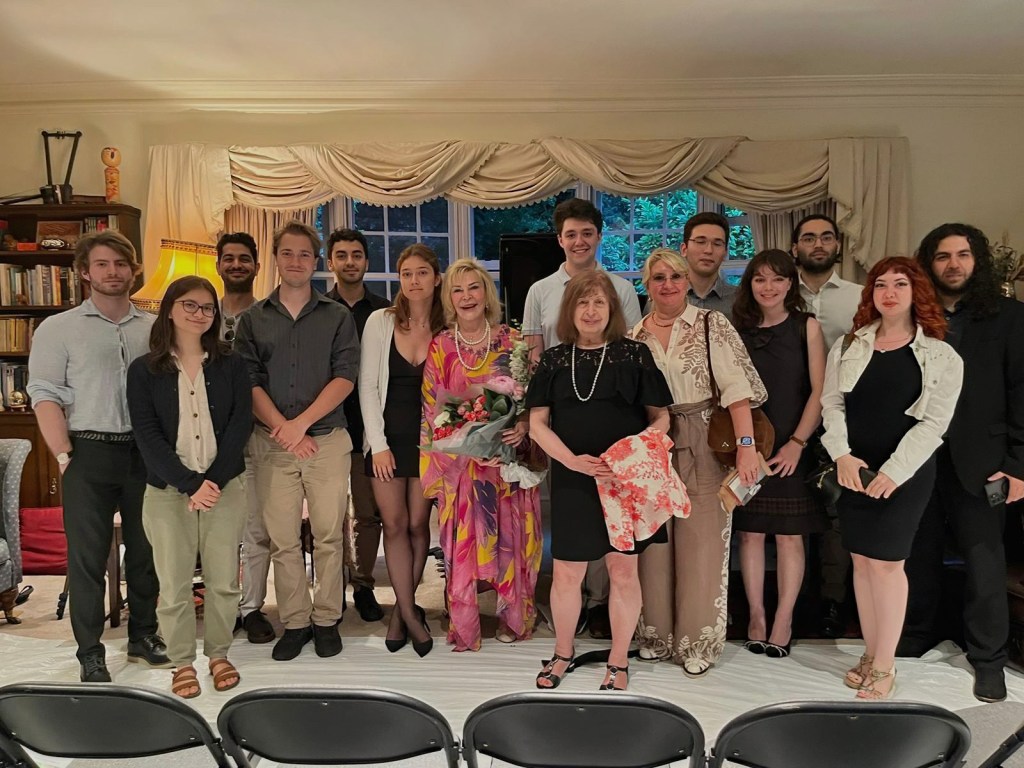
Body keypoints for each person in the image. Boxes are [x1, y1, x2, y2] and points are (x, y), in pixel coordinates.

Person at [26, 230, 169, 682]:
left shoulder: (155, 328)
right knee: (87, 559)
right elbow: (44, 393)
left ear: (134, 270)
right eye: (103, 264)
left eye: (121, 264)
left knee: (147, 553)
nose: (113, 272)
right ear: (85, 272)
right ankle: (90, 651)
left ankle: (143, 635)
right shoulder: (57, 329)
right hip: (87, 451)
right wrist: (63, 454)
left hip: (145, 454)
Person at [821, 256, 963, 700]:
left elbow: (934, 424)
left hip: (905, 474)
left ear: (916, 291)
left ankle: (885, 664)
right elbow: (832, 404)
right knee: (862, 563)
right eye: (881, 284)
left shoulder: (941, 354)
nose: (889, 292)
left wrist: (893, 473)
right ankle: (870, 653)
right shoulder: (848, 345)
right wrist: (842, 456)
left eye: (900, 284)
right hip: (853, 471)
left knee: (888, 565)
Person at [528, 270, 672, 692]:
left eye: (599, 302)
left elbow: (662, 419)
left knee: (623, 572)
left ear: (611, 309)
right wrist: (573, 462)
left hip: (622, 482)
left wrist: (629, 457)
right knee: (567, 574)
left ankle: (618, 660)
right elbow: (537, 425)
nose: (590, 311)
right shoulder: (554, 359)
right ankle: (562, 653)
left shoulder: (634, 354)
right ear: (569, 310)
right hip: (572, 479)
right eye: (582, 302)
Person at [901, 223, 1024, 703]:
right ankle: (915, 637)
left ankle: (988, 658)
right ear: (928, 264)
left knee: (984, 560)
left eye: (963, 255)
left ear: (979, 261)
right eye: (943, 256)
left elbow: (1021, 392)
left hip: (985, 463)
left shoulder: (1010, 317)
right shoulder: (912, 315)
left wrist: (1018, 465)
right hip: (918, 458)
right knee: (917, 554)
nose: (953, 264)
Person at [629, 248, 766, 677]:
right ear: (647, 286)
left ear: (687, 281)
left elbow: (737, 391)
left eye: (675, 276)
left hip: (705, 438)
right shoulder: (635, 336)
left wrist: (746, 446)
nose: (668, 284)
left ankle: (696, 642)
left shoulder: (711, 324)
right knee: (654, 545)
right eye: (658, 277)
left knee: (703, 541)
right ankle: (655, 636)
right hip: (654, 443)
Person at [233, 220, 360, 662]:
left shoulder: (337, 316)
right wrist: (284, 431)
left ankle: (326, 620)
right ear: (276, 259)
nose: (296, 261)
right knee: (283, 540)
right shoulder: (252, 319)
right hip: (271, 444)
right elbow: (248, 381)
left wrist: (300, 425)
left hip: (326, 442)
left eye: (305, 254)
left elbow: (345, 377)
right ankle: (296, 622)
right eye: (287, 253)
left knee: (328, 537)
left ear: (316, 260)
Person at [522, 197, 642, 639]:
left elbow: (629, 349)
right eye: (571, 234)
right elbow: (533, 355)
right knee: (573, 520)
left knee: (614, 525)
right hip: (561, 417)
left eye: (587, 233)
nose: (579, 241)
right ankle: (573, 610)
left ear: (599, 237)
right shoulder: (540, 291)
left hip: (612, 417)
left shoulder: (621, 289)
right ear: (559, 240)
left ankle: (600, 603)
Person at [127, 276, 252, 698]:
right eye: (190, 305)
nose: (200, 314)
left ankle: (219, 654)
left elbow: (240, 425)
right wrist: (189, 484)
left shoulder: (232, 364)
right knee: (174, 584)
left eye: (208, 307)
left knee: (223, 581)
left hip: (224, 487)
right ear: (170, 309)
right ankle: (182, 661)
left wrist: (211, 482)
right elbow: (147, 435)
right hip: (167, 492)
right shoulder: (144, 370)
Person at [421, 258, 542, 651]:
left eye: (474, 287)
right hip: (463, 471)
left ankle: (514, 619)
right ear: (449, 298)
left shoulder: (513, 341)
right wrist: (462, 449)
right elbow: (432, 411)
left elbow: (532, 399)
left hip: (507, 465)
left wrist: (521, 428)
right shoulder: (441, 346)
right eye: (457, 290)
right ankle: (465, 625)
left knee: (511, 542)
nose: (466, 296)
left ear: (486, 294)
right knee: (465, 546)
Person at [731, 249, 828, 658]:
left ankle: (784, 619)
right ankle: (756, 617)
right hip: (749, 447)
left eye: (777, 279)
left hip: (793, 446)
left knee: (790, 537)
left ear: (791, 284)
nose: (768, 287)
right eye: (760, 279)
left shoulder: (807, 326)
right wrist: (746, 447)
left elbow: (820, 392)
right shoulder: (736, 330)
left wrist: (798, 443)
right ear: (749, 284)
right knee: (750, 534)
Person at [359, 243, 444, 656]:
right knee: (392, 524)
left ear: (436, 278)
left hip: (429, 442)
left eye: (421, 273)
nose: (413, 281)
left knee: (417, 524)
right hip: (386, 440)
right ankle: (409, 613)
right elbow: (367, 387)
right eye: (406, 273)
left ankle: (402, 613)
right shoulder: (381, 321)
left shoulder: (447, 327)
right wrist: (378, 445)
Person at [791, 213, 862, 638]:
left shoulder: (860, 297)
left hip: (842, 420)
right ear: (795, 247)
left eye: (826, 237)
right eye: (808, 238)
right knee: (793, 511)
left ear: (838, 246)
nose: (818, 244)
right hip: (788, 420)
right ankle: (795, 600)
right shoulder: (778, 293)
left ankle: (833, 601)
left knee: (838, 513)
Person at [325, 227, 390, 622]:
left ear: (366, 261)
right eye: (342, 255)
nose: (350, 262)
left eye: (357, 255)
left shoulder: (385, 312)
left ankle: (364, 585)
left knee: (368, 514)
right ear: (330, 261)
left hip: (370, 431)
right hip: (328, 428)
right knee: (329, 518)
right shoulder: (317, 309)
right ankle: (331, 589)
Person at [215, 231, 274, 644]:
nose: (236, 265)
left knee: (256, 528)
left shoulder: (268, 315)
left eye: (244, 259)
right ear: (218, 264)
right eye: (229, 258)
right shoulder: (201, 313)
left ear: (256, 265)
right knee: (218, 531)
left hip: (257, 437)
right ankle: (222, 606)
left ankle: (251, 607)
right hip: (210, 440)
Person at [679, 212, 737, 315]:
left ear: (725, 253)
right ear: (684, 249)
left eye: (717, 244)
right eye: (700, 242)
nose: (708, 250)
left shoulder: (741, 300)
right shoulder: (665, 296)